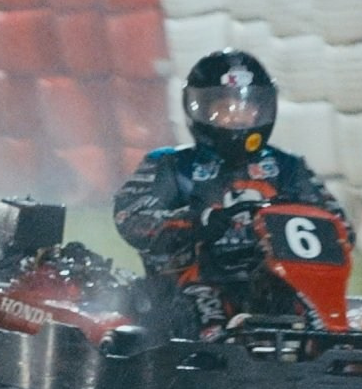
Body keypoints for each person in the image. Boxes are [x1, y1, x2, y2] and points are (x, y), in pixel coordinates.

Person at [113, 48, 347, 338]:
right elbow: (129, 218)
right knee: (206, 313)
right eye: (226, 107)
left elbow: (339, 228)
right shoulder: (171, 165)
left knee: (314, 314)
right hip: (189, 284)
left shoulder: (288, 168)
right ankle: (221, 347)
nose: (238, 117)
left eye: (247, 107)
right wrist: (196, 222)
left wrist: (276, 227)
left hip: (271, 280)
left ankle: (328, 347)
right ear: (201, 109)